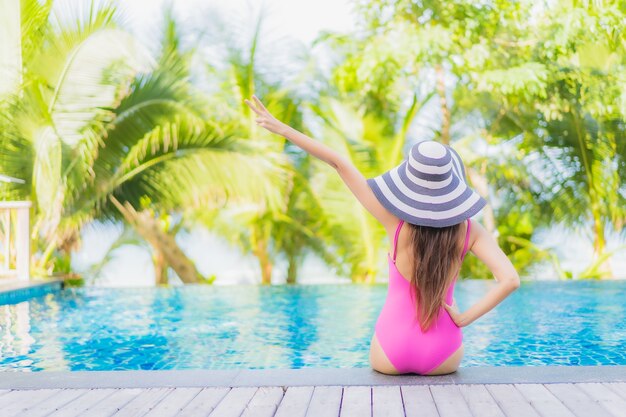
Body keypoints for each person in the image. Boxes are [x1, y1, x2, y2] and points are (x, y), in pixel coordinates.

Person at [245, 95, 520, 375]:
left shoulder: (394, 222)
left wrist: (283, 129)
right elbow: (510, 280)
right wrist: (462, 319)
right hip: (443, 355)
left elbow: (339, 163)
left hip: (392, 352)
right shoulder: (471, 230)